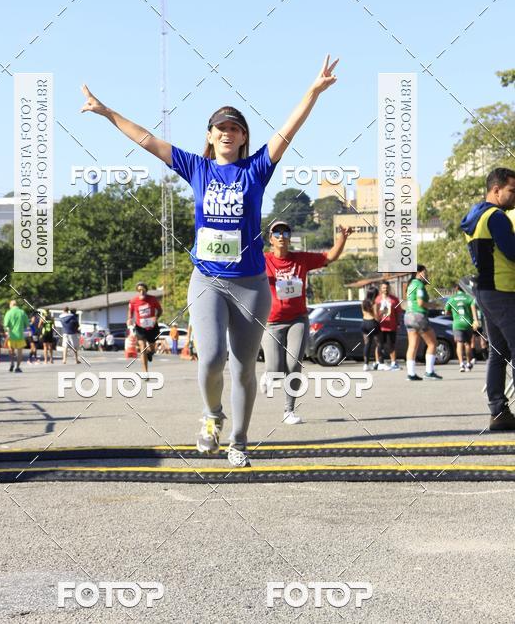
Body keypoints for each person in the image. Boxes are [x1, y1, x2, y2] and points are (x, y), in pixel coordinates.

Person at [81, 53, 339, 467]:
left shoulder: (256, 170)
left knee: (242, 369)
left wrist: (312, 90)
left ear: (242, 138)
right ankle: (211, 416)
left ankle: (239, 441)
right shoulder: (196, 168)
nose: (227, 133)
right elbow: (146, 139)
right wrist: (106, 111)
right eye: (220, 127)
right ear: (210, 135)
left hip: (251, 283)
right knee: (212, 356)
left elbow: (288, 131)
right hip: (207, 280)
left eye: (234, 128)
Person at [262, 219, 352, 424]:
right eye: (277, 233)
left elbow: (330, 256)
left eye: (286, 233)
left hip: (298, 319)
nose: (282, 237)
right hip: (272, 321)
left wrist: (342, 238)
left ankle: (289, 411)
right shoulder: (263, 260)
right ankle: (269, 374)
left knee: (294, 364)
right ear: (271, 239)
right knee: (275, 369)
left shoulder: (301, 259)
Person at [461, 168, 515, 430]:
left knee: (498, 352)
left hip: (484, 290)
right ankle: (499, 412)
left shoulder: (475, 216)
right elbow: (512, 251)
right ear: (496, 190)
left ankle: (498, 411)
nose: (514, 196)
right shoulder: (497, 217)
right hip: (502, 290)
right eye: (511, 191)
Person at [404, 265, 442, 382]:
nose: (427, 275)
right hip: (418, 316)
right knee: (432, 343)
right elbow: (420, 303)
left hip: (408, 315)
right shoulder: (419, 285)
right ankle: (429, 372)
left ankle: (411, 374)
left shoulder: (411, 285)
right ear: (419, 273)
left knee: (412, 346)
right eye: (425, 273)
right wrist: (433, 305)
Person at [127, 283, 163, 374]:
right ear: (137, 291)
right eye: (139, 290)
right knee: (142, 347)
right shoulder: (133, 301)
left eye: (143, 290)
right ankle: (145, 372)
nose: (141, 292)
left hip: (152, 326)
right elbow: (130, 312)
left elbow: (160, 310)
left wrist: (156, 317)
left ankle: (150, 353)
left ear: (146, 290)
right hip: (140, 326)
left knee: (152, 348)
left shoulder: (152, 299)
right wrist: (129, 319)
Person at [444, 285, 479, 372]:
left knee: (459, 343)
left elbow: (446, 312)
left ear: (456, 288)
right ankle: (468, 363)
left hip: (457, 324)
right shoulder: (469, 298)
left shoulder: (451, 299)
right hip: (467, 324)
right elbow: (474, 311)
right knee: (467, 344)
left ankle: (461, 364)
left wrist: (453, 313)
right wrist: (475, 321)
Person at [375, 281, 402, 370]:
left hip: (392, 326)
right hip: (381, 326)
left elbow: (399, 312)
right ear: (381, 289)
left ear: (389, 288)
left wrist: (398, 322)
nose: (385, 289)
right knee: (379, 345)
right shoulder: (377, 299)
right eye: (383, 288)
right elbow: (374, 313)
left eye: (387, 288)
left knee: (392, 345)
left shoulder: (394, 299)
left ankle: (393, 362)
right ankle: (378, 362)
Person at [361, 287, 384, 372]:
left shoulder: (363, 303)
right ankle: (380, 363)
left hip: (364, 323)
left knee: (367, 344)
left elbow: (363, 313)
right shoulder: (374, 303)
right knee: (379, 343)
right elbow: (376, 316)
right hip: (372, 323)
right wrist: (382, 313)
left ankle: (366, 365)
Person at [3, 300, 28, 373]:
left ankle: (12, 363)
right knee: (19, 352)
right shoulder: (22, 312)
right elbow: (27, 324)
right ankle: (17, 367)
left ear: (11, 305)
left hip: (11, 335)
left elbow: (6, 324)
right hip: (20, 335)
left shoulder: (9, 312)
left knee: (11, 351)